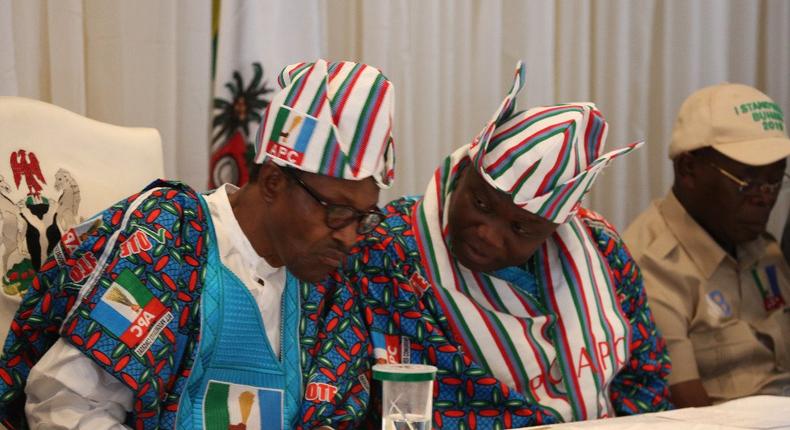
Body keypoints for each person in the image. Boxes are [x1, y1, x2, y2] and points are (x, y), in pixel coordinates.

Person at [0, 59, 395, 429]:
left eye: (363, 217)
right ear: (274, 181)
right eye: (336, 211)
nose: (349, 235)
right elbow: (67, 404)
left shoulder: (330, 285)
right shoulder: (168, 240)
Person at [344, 62, 672, 428]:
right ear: (464, 171)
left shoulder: (602, 250)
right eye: (481, 203)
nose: (488, 233)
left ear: (555, 228)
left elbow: (645, 379)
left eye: (521, 227)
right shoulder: (390, 251)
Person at [623, 83, 790, 407]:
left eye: (775, 180)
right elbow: (690, 415)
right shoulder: (648, 268)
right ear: (689, 169)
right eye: (749, 181)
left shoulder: (762, 248)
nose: (764, 198)